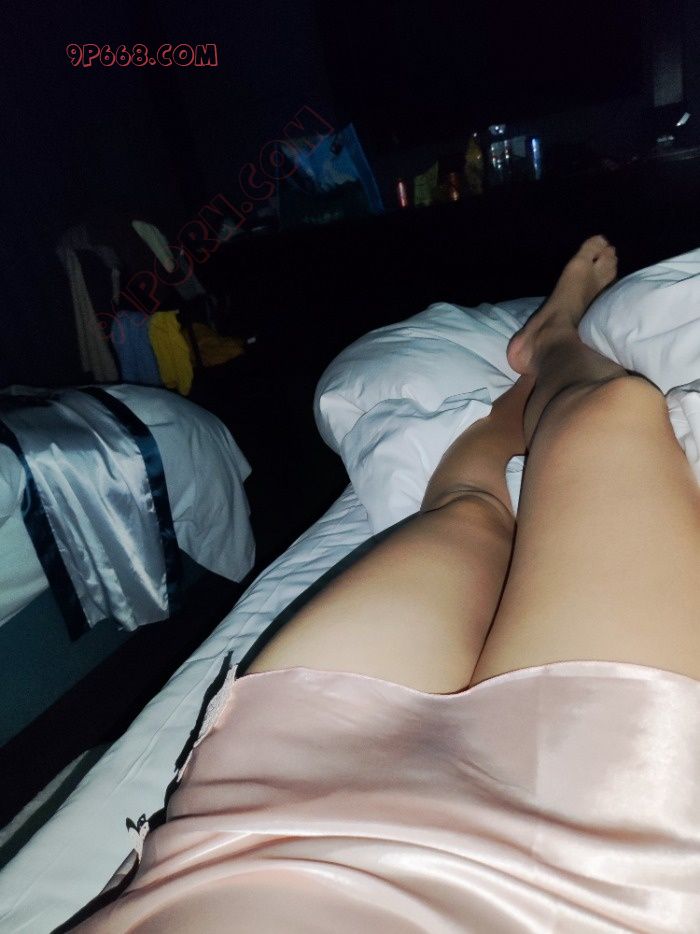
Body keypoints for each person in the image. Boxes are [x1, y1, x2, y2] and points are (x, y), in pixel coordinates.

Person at [76, 238, 700, 932]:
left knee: (467, 508)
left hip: (264, 829)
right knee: (613, 410)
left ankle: (544, 350)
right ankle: (554, 344)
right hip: (588, 876)